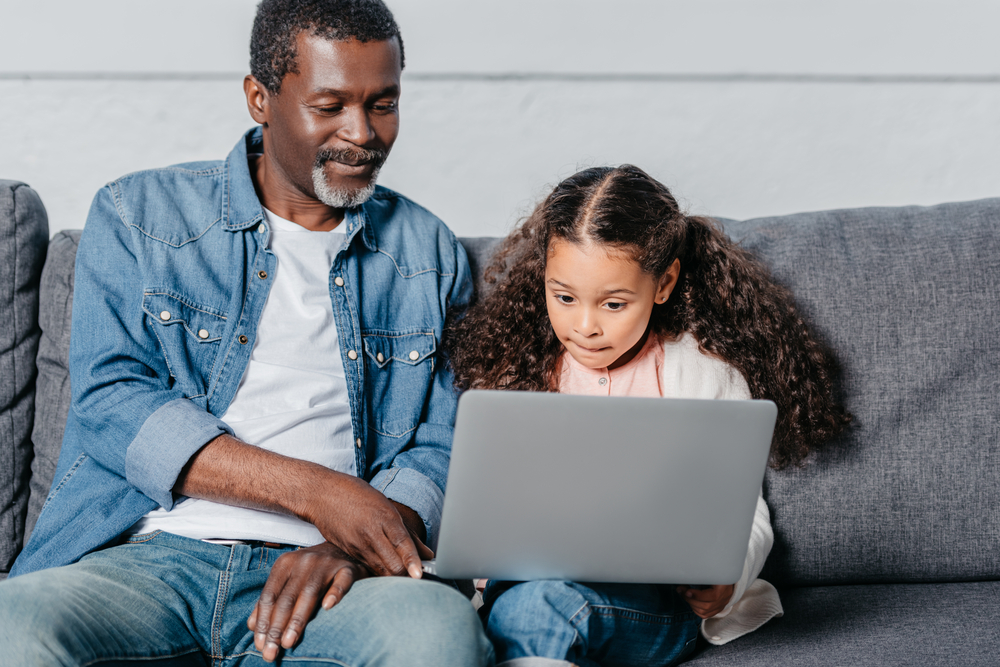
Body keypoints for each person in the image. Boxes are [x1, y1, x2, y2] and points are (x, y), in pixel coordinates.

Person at [0, 1, 493, 665]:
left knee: (438, 633)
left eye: (383, 104)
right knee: (14, 623)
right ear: (261, 98)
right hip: (146, 560)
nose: (362, 133)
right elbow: (112, 402)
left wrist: (351, 543)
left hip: (332, 583)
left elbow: (441, 444)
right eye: (330, 105)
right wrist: (319, 492)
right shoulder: (139, 214)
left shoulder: (426, 252)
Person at [446, 164, 851, 666]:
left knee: (537, 609)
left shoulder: (699, 371)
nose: (585, 326)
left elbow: (743, 514)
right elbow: (483, 512)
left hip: (655, 607)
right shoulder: (517, 367)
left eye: (614, 303)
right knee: (517, 609)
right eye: (564, 297)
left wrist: (726, 579)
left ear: (663, 285)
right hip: (518, 591)